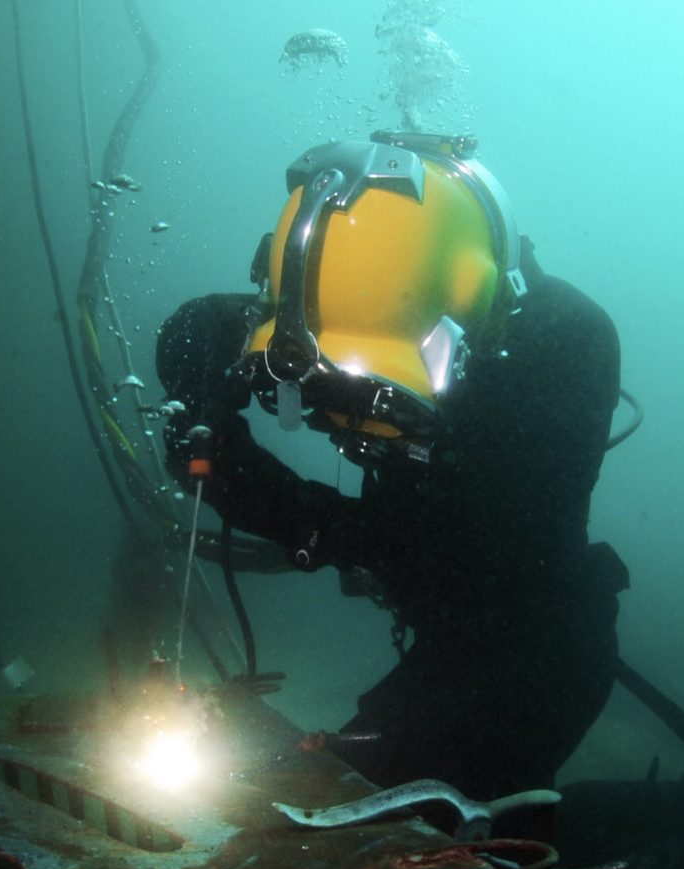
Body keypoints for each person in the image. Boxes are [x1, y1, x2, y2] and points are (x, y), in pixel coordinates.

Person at [155, 131, 628, 821]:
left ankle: (662, 822)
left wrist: (281, 506)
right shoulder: (341, 288)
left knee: (439, 823)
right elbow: (199, 329)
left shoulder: (564, 353)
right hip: (435, 618)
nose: (356, 429)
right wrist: (200, 417)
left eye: (383, 397)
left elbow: (468, 549)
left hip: (528, 650)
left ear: (466, 310)